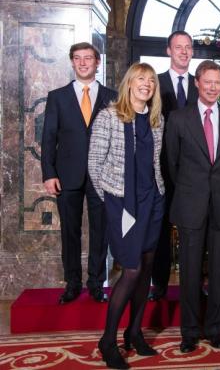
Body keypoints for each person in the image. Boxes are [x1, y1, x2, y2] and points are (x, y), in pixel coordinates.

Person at [89, 63, 165, 369]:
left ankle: (134, 332)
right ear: (129, 84)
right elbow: (95, 164)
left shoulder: (157, 120)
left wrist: (158, 194)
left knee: (146, 267)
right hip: (123, 203)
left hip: (153, 199)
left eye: (150, 80)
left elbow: (156, 163)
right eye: (140, 79)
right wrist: (112, 200)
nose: (146, 84)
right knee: (131, 269)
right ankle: (108, 340)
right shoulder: (109, 116)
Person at [166, 60, 220, 353]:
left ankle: (214, 328)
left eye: (218, 82)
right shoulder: (178, 119)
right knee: (189, 270)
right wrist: (192, 190)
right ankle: (189, 331)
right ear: (197, 83)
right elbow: (171, 164)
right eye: (207, 81)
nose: (213, 87)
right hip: (190, 204)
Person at [41, 42, 116, 304]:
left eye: (88, 58)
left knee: (101, 231)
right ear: (72, 63)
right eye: (77, 58)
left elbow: (118, 140)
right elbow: (48, 138)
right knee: (69, 232)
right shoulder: (57, 97)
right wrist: (48, 173)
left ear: (97, 62)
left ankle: (96, 283)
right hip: (67, 176)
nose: (83, 63)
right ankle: (72, 283)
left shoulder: (112, 96)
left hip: (102, 177)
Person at [149, 30, 199, 302]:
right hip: (161, 170)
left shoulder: (200, 84)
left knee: (194, 230)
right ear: (168, 51)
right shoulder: (154, 83)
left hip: (193, 172)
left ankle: (194, 283)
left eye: (188, 47)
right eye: (178, 47)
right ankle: (159, 284)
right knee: (160, 229)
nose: (183, 52)